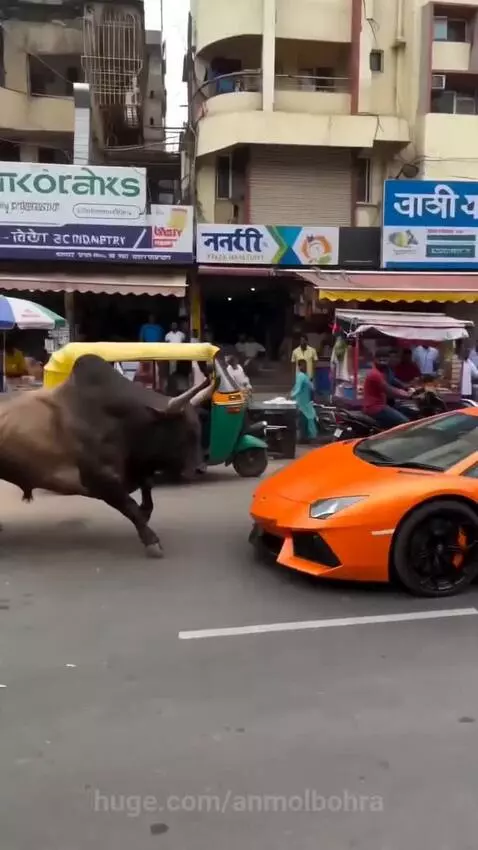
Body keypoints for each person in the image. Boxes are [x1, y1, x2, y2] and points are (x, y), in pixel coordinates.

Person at [363, 350, 411, 429]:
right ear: (374, 359)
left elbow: (394, 381)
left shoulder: (384, 371)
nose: (382, 361)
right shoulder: (375, 374)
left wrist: (406, 387)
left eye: (384, 359)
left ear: (388, 359)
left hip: (381, 404)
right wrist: (408, 395)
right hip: (376, 407)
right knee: (406, 423)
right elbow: (389, 391)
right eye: (380, 359)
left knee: (404, 410)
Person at [291, 359, 318, 442]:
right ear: (299, 367)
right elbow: (298, 389)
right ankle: (305, 437)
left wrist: (292, 394)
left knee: (306, 419)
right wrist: (292, 395)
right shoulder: (302, 376)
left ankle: (306, 437)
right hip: (302, 402)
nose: (304, 367)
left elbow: (307, 387)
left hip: (305, 402)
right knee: (306, 419)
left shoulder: (304, 376)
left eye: (305, 365)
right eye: (302, 365)